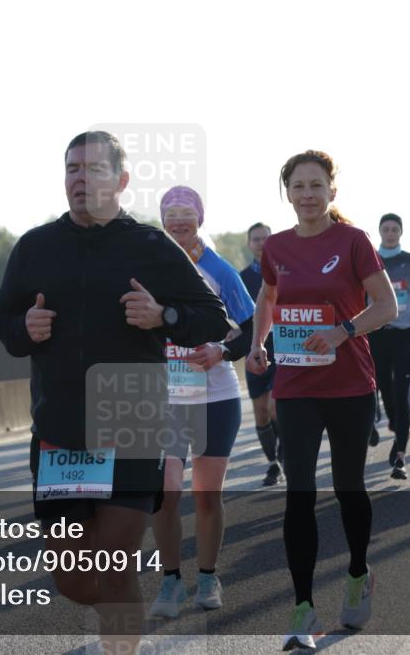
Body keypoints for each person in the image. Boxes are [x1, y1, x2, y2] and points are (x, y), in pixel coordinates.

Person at [0, 131, 232, 655]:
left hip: (130, 417)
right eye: (73, 168)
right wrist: (22, 327)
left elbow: (214, 319)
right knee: (74, 581)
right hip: (59, 429)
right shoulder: (35, 246)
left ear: (120, 180)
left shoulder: (148, 245)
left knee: (116, 568)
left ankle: (122, 637)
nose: (81, 178)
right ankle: (125, 625)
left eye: (95, 169)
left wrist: (163, 316)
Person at [246, 150, 396, 651]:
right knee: (300, 493)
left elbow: (387, 306)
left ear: (333, 191)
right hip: (295, 388)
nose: (307, 194)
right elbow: (268, 299)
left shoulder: (353, 241)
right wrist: (257, 343)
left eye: (316, 185)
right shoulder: (277, 248)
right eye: (298, 186)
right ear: (286, 193)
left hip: (350, 383)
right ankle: (303, 608)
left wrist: (341, 332)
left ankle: (357, 571)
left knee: (349, 487)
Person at [147, 186, 255, 618]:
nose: (177, 223)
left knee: (206, 495)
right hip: (166, 399)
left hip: (215, 395)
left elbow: (249, 331)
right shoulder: (148, 269)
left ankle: (208, 577)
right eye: (170, 216)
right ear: (161, 222)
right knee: (165, 493)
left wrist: (222, 352)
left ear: (199, 221)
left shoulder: (219, 270)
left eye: (185, 216)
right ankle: (171, 582)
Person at [368, 213, 410, 480]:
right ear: (380, 231)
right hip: (378, 331)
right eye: (386, 229)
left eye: (394, 229)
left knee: (402, 394)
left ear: (400, 233)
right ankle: (389, 423)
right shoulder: (370, 258)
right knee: (382, 388)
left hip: (405, 331)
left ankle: (400, 456)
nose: (390, 233)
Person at [240, 222, 285, 485]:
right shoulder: (241, 277)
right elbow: (229, 311)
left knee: (275, 405)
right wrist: (232, 333)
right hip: (253, 348)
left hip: (282, 348)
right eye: (256, 239)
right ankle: (273, 463)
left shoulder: (285, 271)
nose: (261, 243)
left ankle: (283, 451)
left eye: (266, 238)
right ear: (249, 244)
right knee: (260, 410)